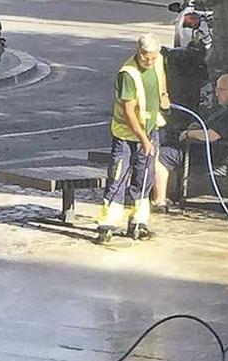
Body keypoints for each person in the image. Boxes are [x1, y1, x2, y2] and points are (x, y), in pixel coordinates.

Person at [96, 33, 170, 245]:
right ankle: (107, 224)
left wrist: (164, 95)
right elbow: (129, 112)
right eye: (147, 57)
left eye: (154, 57)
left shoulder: (158, 60)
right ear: (139, 52)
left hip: (151, 128)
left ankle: (139, 221)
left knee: (144, 175)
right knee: (118, 176)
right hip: (126, 134)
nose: (151, 62)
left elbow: (161, 76)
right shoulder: (127, 74)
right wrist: (143, 139)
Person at [152, 73, 228, 210]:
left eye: (220, 90)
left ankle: (160, 200)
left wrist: (188, 134)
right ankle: (164, 194)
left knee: (160, 155)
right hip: (207, 148)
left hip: (211, 153)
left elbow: (212, 135)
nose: (216, 94)